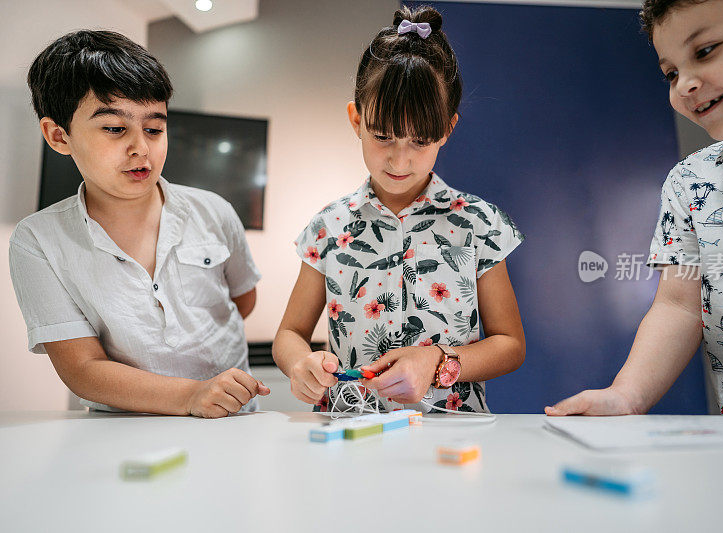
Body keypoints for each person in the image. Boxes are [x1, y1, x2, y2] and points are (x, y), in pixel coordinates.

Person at [546, 0, 723, 416]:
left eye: (704, 51)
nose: (684, 85)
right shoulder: (691, 183)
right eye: (671, 73)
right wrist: (627, 395)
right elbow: (678, 306)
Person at [273, 6, 526, 414]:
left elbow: (510, 345)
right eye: (383, 136)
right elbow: (290, 333)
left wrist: (441, 361)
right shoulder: (329, 226)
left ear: (447, 129)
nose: (399, 160)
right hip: (352, 426)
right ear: (356, 119)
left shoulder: (478, 223)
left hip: (451, 431)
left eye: (419, 141)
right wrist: (299, 363)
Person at [10, 30, 269, 418]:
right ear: (59, 136)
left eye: (154, 128)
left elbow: (242, 300)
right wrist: (191, 394)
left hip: (231, 422)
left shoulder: (213, 211)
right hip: (119, 430)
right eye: (115, 128)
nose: (141, 149)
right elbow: (82, 369)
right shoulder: (38, 241)